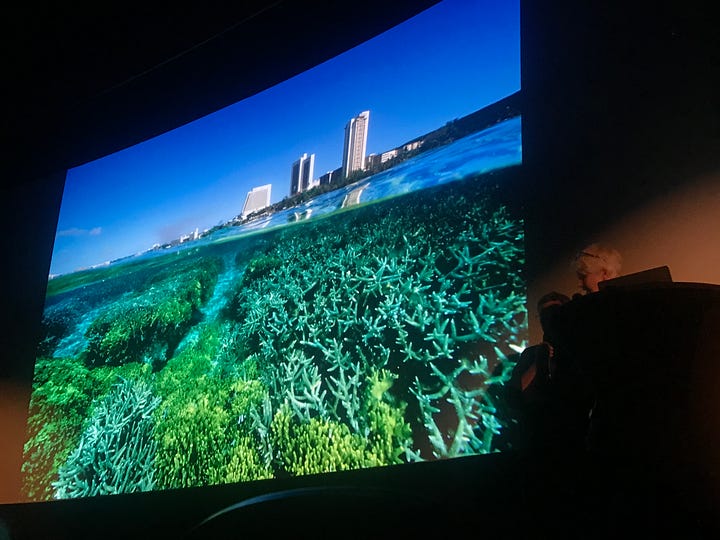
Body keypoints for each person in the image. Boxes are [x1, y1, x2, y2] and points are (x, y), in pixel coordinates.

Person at [508, 291, 594, 454]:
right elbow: (513, 397)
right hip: (537, 444)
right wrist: (538, 361)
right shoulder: (531, 354)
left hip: (579, 442)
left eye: (554, 314)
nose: (548, 320)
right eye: (543, 315)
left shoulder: (583, 351)